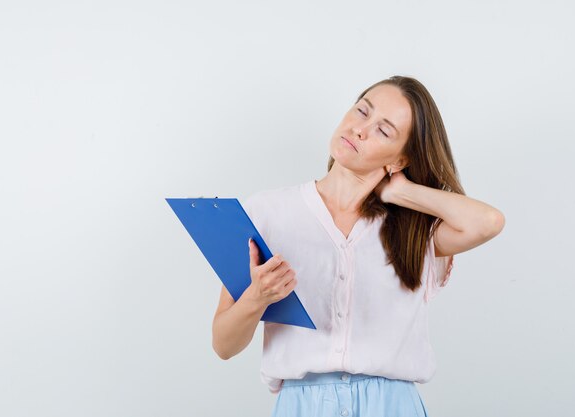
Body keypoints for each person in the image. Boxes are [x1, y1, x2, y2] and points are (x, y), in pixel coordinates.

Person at [211, 75, 505, 416]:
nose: (360, 129)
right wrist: (257, 297)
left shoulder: (414, 231)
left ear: (399, 160)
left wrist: (400, 192)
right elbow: (223, 344)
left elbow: (489, 222)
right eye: (362, 111)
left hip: (392, 406)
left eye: (384, 130)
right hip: (302, 406)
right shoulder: (265, 213)